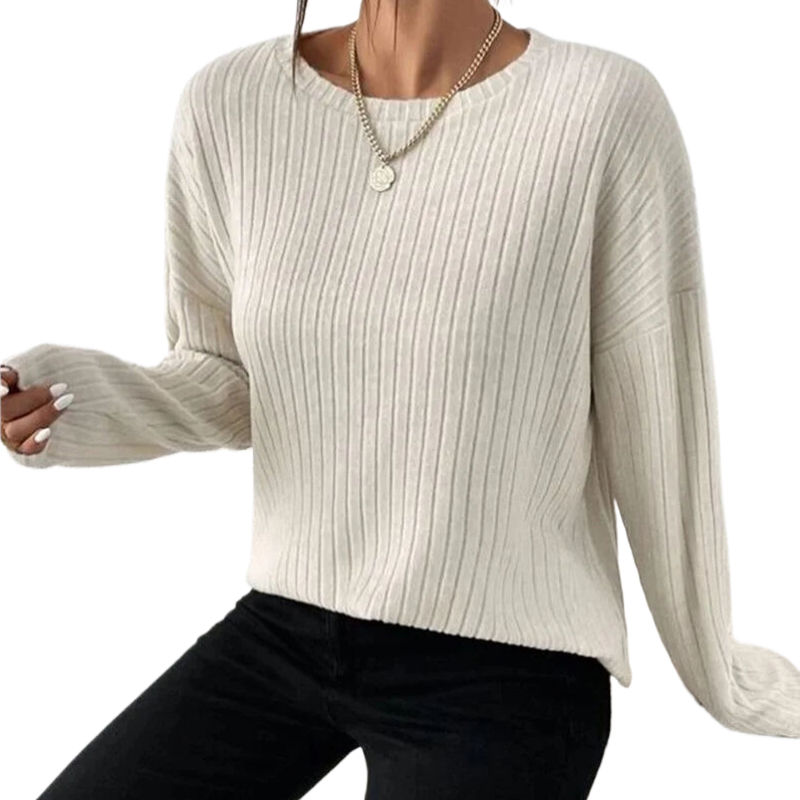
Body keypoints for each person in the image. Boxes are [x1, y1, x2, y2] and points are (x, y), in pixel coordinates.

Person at [2, 1, 799, 797]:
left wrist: (720, 673)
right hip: (289, 626)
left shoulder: (602, 111)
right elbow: (229, 378)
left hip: (509, 668)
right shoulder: (231, 104)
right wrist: (76, 401)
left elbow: (659, 428)